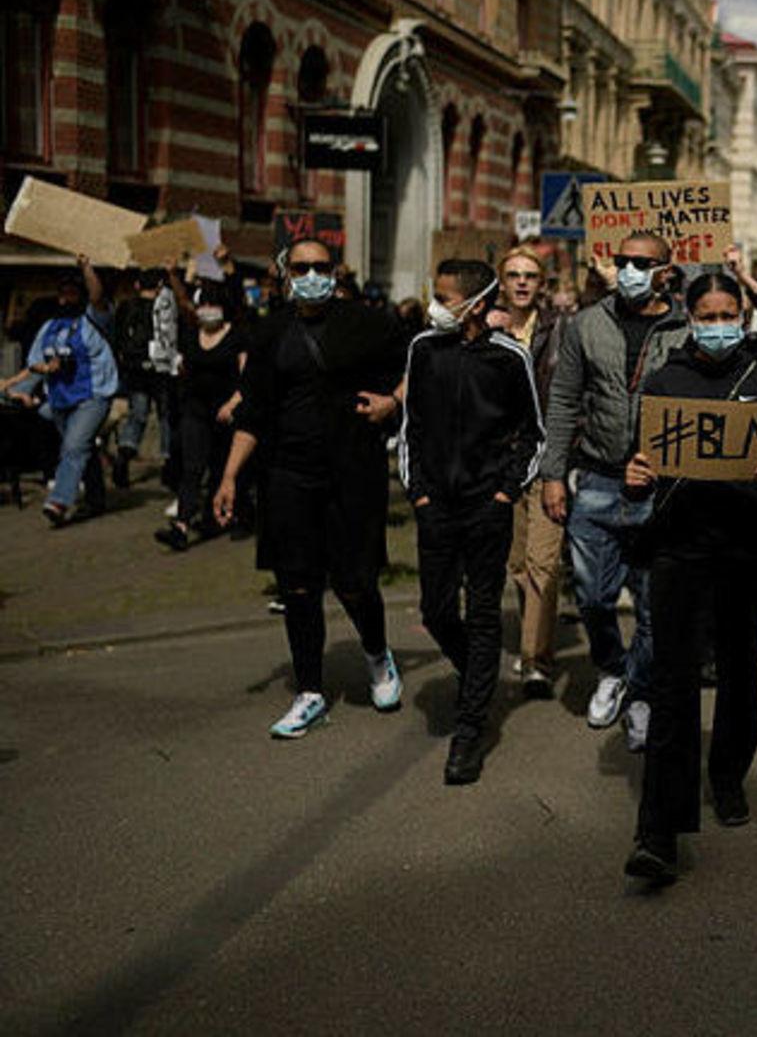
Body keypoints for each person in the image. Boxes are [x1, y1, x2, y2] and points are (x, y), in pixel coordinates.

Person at [541, 235, 757, 749]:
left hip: (665, 487)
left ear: (666, 271)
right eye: (622, 261)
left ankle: (643, 691)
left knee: (654, 602)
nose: (628, 269)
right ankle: (613, 667)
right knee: (592, 593)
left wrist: (744, 278)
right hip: (600, 475)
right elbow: (563, 402)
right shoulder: (587, 323)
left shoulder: (689, 326)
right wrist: (552, 472)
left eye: (641, 262)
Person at [623, 273, 757, 882]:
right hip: (679, 550)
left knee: (737, 668)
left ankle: (727, 777)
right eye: (707, 313)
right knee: (673, 684)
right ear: (689, 317)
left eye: (729, 312)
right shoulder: (665, 383)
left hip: (746, 551)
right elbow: (636, 457)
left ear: (742, 315)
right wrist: (636, 474)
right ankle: (658, 831)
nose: (719, 322)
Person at [213, 238, 407, 738]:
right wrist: (231, 476)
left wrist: (393, 402)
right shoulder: (268, 333)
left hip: (352, 473)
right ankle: (310, 690)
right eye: (302, 267)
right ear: (285, 274)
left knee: (354, 581)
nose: (313, 274)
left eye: (322, 266)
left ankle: (376, 654)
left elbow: (420, 359)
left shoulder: (367, 321)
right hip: (287, 476)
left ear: (336, 272)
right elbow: (252, 412)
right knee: (297, 586)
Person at [399, 259, 545, 784]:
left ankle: (470, 728)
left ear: (477, 303)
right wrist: (417, 495)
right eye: (433, 294)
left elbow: (533, 434)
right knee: (437, 610)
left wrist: (506, 491)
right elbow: (410, 428)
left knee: (483, 613)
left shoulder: (510, 358)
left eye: (444, 296)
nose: (434, 305)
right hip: (435, 505)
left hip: (488, 505)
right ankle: (479, 674)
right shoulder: (423, 349)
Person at [494, 246, 570, 699]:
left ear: (542, 285)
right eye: (513, 275)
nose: (522, 283)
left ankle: (534, 661)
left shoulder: (561, 331)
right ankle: (536, 633)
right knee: (519, 565)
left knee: (544, 561)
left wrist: (563, 457)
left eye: (530, 276)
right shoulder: (484, 329)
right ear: (502, 283)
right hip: (502, 465)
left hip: (546, 461)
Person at [3, 257, 118, 525]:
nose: (65, 298)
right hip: (60, 399)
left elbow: (97, 295)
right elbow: (33, 365)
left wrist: (87, 268)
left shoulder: (95, 320)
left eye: (71, 293)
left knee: (73, 446)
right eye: (62, 293)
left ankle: (59, 500)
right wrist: (16, 387)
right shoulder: (50, 327)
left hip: (93, 395)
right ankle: (96, 499)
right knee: (81, 449)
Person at [156, 255, 248, 550]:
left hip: (227, 413)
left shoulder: (237, 337)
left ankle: (224, 516)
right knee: (192, 468)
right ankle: (182, 525)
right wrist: (172, 275)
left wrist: (233, 404)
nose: (207, 311)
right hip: (196, 410)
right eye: (203, 305)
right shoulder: (191, 334)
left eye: (213, 305)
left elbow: (247, 379)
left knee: (223, 469)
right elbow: (182, 304)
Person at [109, 265, 178, 489]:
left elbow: (116, 337)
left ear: (137, 285)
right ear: (159, 286)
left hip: (134, 368)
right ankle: (169, 462)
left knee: (137, 414)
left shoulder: (126, 307)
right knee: (166, 416)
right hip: (162, 369)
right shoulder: (165, 306)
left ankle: (125, 453)